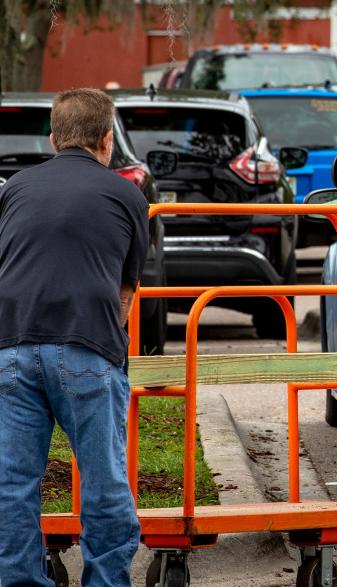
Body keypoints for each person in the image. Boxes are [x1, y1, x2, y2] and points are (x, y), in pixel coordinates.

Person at [0, 89, 147, 585]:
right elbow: (126, 289)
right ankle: (106, 581)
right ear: (107, 140)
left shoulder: (15, 188)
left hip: (11, 348)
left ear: (53, 138)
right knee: (104, 481)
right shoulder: (127, 194)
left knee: (12, 485)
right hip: (87, 347)